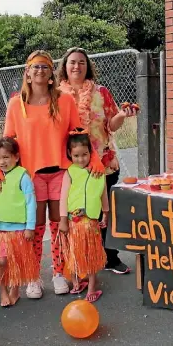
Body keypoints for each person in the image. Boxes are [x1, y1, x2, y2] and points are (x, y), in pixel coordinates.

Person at [0, 50, 104, 298]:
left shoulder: (64, 100)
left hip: (60, 172)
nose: (40, 71)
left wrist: (94, 158)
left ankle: (59, 273)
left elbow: (79, 132)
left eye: (45, 67)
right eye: (35, 67)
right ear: (27, 72)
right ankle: (33, 277)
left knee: (59, 226)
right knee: (35, 227)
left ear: (52, 73)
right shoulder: (15, 104)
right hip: (30, 175)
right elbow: (8, 141)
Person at [57, 47, 137, 275]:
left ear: (88, 66)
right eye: (72, 62)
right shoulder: (57, 95)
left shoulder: (101, 92)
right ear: (65, 66)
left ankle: (111, 257)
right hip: (73, 167)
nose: (76, 66)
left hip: (104, 163)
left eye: (82, 62)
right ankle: (80, 260)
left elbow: (111, 125)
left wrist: (122, 115)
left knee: (106, 212)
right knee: (78, 215)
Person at [59, 128, 109, 302]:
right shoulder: (70, 172)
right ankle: (76, 283)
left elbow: (103, 194)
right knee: (73, 252)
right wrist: (63, 219)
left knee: (92, 255)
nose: (81, 159)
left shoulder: (98, 172)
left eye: (85, 154)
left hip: (92, 222)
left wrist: (106, 214)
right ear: (70, 155)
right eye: (76, 156)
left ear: (90, 153)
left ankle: (92, 288)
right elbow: (63, 197)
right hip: (74, 222)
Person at [0, 137, 39, 307]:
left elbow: (30, 203)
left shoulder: (23, 176)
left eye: (6, 157)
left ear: (16, 157)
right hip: (1, 229)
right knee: (2, 261)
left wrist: (30, 226)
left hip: (19, 229)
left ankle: (15, 289)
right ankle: (3, 290)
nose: (2, 161)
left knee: (16, 261)